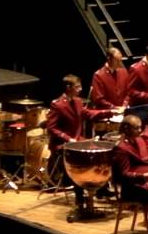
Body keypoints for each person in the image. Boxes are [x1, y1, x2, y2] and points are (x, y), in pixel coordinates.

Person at [46, 74, 119, 212]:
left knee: (101, 152)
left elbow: (90, 114)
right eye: (77, 87)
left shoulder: (78, 101)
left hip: (78, 141)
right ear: (68, 87)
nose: (80, 89)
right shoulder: (57, 104)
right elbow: (51, 128)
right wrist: (68, 139)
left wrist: (110, 112)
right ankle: (80, 198)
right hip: (63, 144)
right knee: (80, 162)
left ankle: (100, 188)